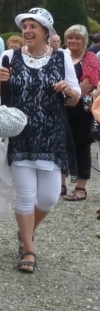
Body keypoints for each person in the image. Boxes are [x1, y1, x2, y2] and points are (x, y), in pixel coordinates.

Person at [0, 7, 79, 273]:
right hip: (21, 136)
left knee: (49, 198)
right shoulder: (8, 56)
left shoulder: (62, 58)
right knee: (26, 196)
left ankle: (25, 232)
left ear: (45, 32)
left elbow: (74, 99)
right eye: (25, 26)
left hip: (51, 135)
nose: (27, 31)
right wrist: (0, 80)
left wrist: (67, 90)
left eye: (33, 27)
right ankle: (29, 248)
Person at [62, 25, 100, 202]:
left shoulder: (89, 57)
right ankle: (60, 184)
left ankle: (80, 187)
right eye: (70, 38)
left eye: (77, 38)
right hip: (61, 107)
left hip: (80, 109)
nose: (73, 41)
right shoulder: (61, 55)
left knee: (81, 144)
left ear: (84, 41)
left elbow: (88, 84)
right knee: (60, 144)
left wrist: (70, 99)